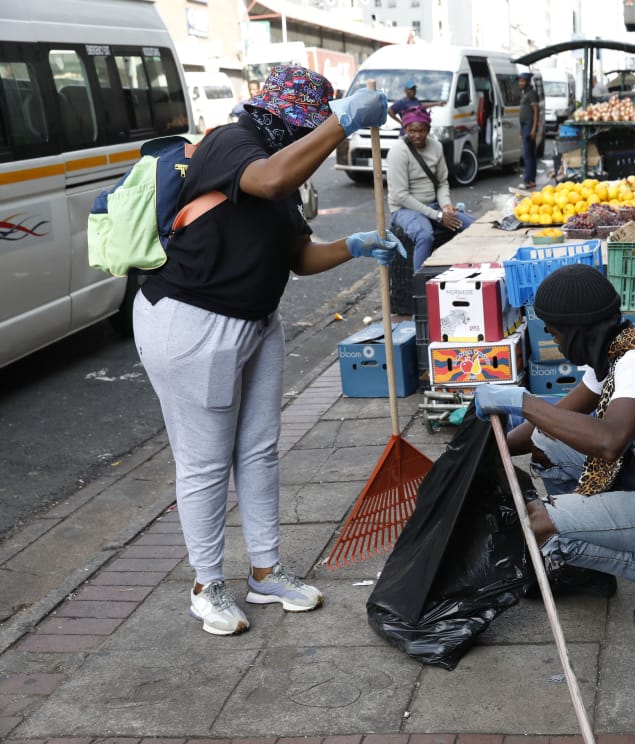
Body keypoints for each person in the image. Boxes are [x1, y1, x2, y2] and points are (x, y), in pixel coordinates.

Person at [133, 65, 402, 637]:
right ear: (287, 116)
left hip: (256, 322)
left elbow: (299, 258)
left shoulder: (286, 161)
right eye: (311, 125)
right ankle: (207, 586)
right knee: (205, 463)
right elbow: (271, 181)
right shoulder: (234, 143)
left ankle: (266, 571)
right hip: (192, 324)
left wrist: (355, 246)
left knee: (258, 450)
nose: (316, 140)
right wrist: (343, 120)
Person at [472, 264, 635, 631]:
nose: (555, 342)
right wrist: (484, 447)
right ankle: (585, 570)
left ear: (577, 330)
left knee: (541, 524)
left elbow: (609, 442)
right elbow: (548, 425)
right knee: (546, 442)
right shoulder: (618, 352)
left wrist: (522, 401)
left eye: (554, 333)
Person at [386, 106, 476, 269]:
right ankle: (420, 285)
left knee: (473, 227)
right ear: (405, 129)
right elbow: (401, 196)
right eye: (412, 131)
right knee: (424, 235)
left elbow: (441, 183)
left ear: (428, 129)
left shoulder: (436, 147)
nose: (417, 135)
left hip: (434, 206)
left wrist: (446, 206)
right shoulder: (398, 152)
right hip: (404, 209)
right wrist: (438, 216)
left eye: (422, 130)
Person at [517, 71, 540, 189]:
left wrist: (533, 129)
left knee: (528, 155)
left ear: (527, 82)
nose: (520, 83)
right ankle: (530, 179)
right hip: (524, 126)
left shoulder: (532, 94)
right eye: (519, 81)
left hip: (529, 125)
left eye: (522, 81)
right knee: (529, 154)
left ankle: (528, 180)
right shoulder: (524, 93)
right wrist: (521, 131)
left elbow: (536, 112)